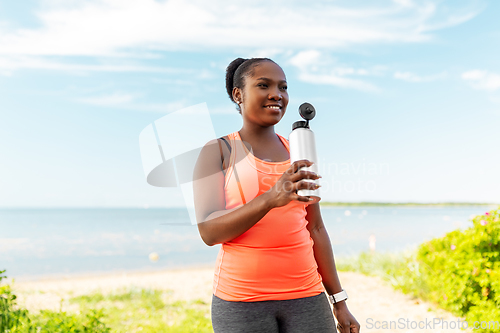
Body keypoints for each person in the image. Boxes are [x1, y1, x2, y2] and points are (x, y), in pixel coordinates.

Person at [193, 57, 360, 333]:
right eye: (263, 85)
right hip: (241, 301)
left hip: (307, 296)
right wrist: (270, 198)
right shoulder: (218, 151)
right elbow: (209, 232)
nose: (277, 94)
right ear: (238, 94)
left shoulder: (300, 152)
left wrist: (339, 301)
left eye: (283, 87)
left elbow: (315, 228)